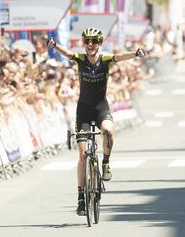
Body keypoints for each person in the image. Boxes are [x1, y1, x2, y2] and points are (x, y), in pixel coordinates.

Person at [47, 27, 145, 215]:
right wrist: (55, 45)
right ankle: (81, 197)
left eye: (94, 42)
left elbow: (118, 56)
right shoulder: (81, 59)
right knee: (83, 156)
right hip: (83, 111)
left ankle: (106, 162)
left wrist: (135, 53)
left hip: (101, 108)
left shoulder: (106, 59)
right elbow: (68, 53)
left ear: (100, 43)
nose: (90, 45)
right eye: (87, 41)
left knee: (108, 131)